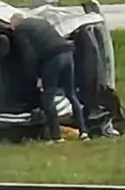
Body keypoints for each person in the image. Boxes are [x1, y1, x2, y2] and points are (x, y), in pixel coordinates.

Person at [9, 13, 90, 143]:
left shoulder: (20, 30)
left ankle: (56, 137)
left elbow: (28, 55)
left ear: (14, 24)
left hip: (53, 58)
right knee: (71, 94)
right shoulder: (41, 21)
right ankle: (84, 132)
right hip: (68, 53)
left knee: (48, 98)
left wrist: (34, 76)